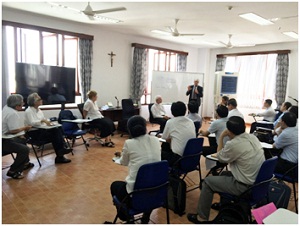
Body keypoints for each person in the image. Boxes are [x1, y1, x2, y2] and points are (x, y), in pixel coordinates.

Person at [187, 116, 265, 223]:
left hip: (244, 186)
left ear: (229, 131)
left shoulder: (234, 144)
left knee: (207, 182)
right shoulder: (253, 138)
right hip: (257, 183)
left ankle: (201, 218)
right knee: (224, 173)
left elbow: (220, 157)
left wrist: (222, 137)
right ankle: (225, 205)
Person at [110, 116, 161, 223]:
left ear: (129, 129)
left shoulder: (129, 143)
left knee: (114, 186)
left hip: (137, 193)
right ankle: (145, 217)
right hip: (157, 191)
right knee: (149, 180)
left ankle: (128, 218)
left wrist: (119, 157)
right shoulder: (156, 140)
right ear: (145, 127)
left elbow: (124, 162)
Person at [24, 93, 72, 164]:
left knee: (57, 129)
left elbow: (44, 120)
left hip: (41, 130)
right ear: (34, 102)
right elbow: (32, 123)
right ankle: (60, 154)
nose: (41, 100)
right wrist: (43, 121)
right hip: (33, 133)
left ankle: (61, 153)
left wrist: (49, 123)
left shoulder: (39, 110)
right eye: (39, 99)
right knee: (56, 133)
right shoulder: (28, 111)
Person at [2, 94, 34, 179]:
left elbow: (10, 129)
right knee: (25, 149)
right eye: (22, 102)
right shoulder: (13, 113)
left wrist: (20, 135)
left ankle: (25, 163)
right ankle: (13, 171)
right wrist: (25, 128)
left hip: (5, 137)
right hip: (3, 141)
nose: (23, 103)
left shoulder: (6, 108)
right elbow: (13, 131)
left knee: (23, 140)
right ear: (17, 106)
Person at [161, 101, 195, 166]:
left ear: (172, 112)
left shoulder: (170, 122)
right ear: (185, 111)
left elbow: (164, 138)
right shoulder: (191, 122)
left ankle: (167, 172)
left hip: (178, 158)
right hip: (192, 156)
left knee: (161, 149)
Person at [272, 112, 298, 177]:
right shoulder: (296, 129)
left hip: (286, 164)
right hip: (294, 165)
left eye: (280, 120)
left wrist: (279, 131)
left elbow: (275, 146)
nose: (279, 122)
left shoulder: (286, 133)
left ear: (283, 122)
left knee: (265, 163)